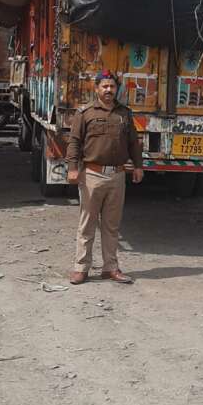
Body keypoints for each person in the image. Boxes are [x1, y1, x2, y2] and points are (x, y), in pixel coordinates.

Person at [67, 70, 144, 285]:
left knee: (112, 226)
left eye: (112, 86)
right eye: (105, 86)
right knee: (87, 224)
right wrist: (72, 168)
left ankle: (110, 267)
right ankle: (81, 268)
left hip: (117, 176)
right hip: (92, 175)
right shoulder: (85, 113)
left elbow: (133, 142)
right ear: (97, 88)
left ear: (117, 89)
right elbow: (74, 141)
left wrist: (138, 166)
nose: (109, 90)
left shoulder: (124, 114)